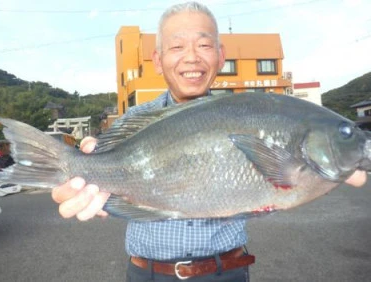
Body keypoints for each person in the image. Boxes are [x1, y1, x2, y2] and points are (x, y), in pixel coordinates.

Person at [52, 2, 368, 281]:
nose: (191, 58)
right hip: (148, 274)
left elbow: (274, 190)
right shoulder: (133, 121)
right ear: (158, 60)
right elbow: (89, 173)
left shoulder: (247, 109)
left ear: (219, 57)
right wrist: (76, 177)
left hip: (226, 271)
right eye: (176, 47)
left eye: (204, 46)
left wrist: (333, 167)